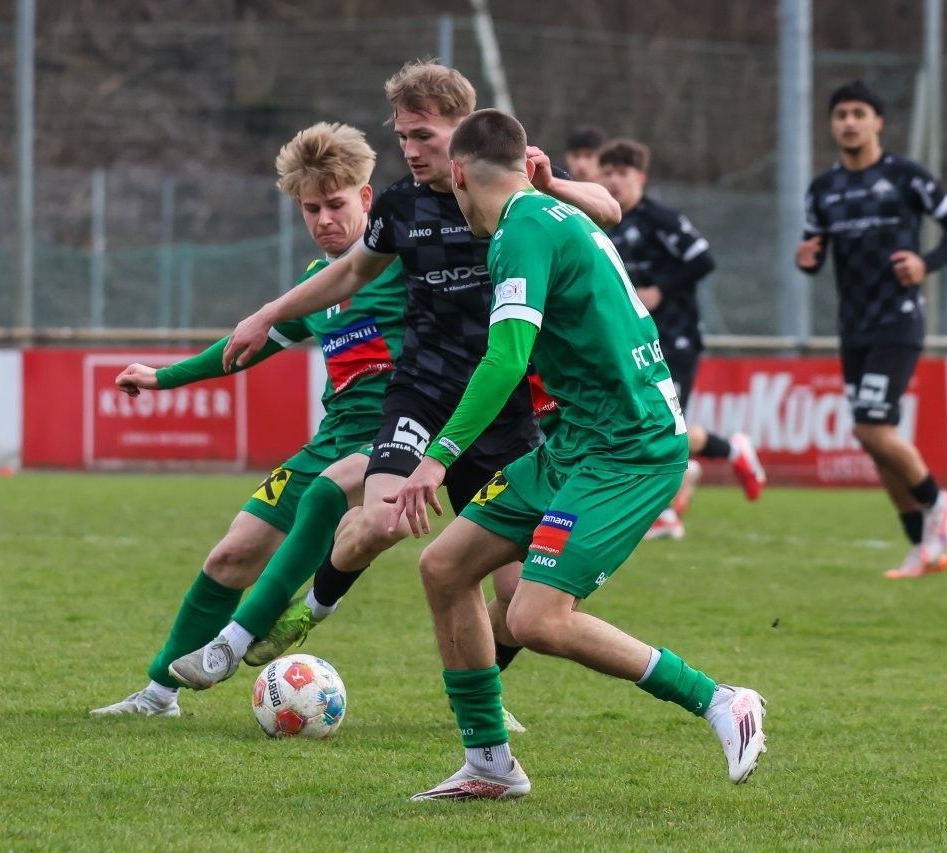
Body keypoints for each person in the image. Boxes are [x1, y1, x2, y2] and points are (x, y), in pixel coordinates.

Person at [166, 60, 621, 690]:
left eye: (423, 137)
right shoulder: (403, 208)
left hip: (499, 403)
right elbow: (352, 272)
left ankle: (479, 691)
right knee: (381, 518)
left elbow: (609, 208)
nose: (408, 150)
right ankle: (269, 626)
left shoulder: (517, 191)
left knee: (521, 600)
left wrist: (554, 185)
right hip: (425, 390)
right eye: (402, 136)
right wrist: (267, 313)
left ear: (462, 132)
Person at [389, 109, 766, 801]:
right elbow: (610, 210)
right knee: (444, 567)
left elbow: (505, 358)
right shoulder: (547, 212)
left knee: (535, 617)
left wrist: (437, 456)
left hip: (630, 449)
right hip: (576, 441)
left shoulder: (521, 231)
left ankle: (722, 699)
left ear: (463, 173)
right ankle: (490, 764)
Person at [90, 122, 407, 718]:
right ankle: (160, 694)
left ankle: (252, 635)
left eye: (336, 205)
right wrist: (163, 377)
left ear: (367, 198)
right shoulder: (317, 283)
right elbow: (248, 344)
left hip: (397, 437)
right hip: (332, 437)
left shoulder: (410, 268)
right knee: (229, 557)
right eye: (310, 209)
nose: (323, 221)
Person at [796, 80, 947, 579]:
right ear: (832, 125)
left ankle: (938, 503)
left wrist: (926, 262)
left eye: (858, 113)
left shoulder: (905, 176)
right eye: (840, 114)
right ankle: (922, 548)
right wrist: (806, 260)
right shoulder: (823, 189)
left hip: (898, 320)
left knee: (870, 428)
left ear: (878, 122)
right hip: (853, 327)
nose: (848, 122)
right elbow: (815, 252)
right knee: (878, 442)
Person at [599, 138, 766, 539]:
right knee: (645, 423)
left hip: (676, 338)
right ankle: (726, 453)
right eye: (608, 173)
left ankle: (667, 510)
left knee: (661, 426)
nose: (615, 181)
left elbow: (702, 258)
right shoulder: (605, 222)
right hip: (635, 342)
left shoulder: (661, 218)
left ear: (641, 177)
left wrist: (660, 289)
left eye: (623, 173)